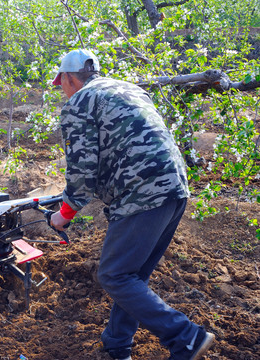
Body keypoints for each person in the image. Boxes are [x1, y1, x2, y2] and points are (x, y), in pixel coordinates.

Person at [49, 49, 215, 360]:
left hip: (141, 193)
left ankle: (186, 336)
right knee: (131, 274)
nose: (62, 90)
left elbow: (83, 170)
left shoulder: (79, 102)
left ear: (71, 78)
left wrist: (64, 214)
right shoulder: (128, 88)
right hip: (174, 186)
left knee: (114, 275)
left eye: (62, 83)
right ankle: (117, 344)